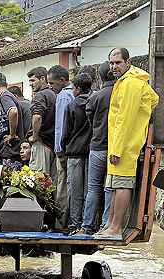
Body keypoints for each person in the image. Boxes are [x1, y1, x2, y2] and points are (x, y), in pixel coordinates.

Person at [98, 48, 159, 238]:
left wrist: (117, 148)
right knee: (115, 185)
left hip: (125, 145)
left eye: (118, 62)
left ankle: (116, 228)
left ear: (128, 61)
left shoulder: (131, 83)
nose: (114, 66)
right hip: (119, 142)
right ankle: (110, 225)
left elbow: (125, 119)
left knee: (122, 184)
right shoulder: (124, 81)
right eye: (112, 63)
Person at [81, 62, 115, 234]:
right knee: (109, 188)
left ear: (99, 77)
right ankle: (105, 225)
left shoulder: (95, 97)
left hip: (96, 146)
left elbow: (90, 119)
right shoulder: (120, 93)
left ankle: (87, 226)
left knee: (93, 188)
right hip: (115, 149)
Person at [61, 73, 93, 235]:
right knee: (90, 190)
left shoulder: (72, 106)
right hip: (91, 152)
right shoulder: (94, 102)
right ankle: (88, 224)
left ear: (78, 88)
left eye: (73, 87)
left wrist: (62, 148)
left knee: (75, 191)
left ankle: (74, 224)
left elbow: (66, 132)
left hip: (74, 153)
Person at [47, 65, 75, 229]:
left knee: (62, 186)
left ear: (63, 80)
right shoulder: (73, 94)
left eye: (52, 83)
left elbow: (60, 127)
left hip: (63, 149)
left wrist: (59, 150)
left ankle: (61, 223)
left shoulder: (63, 96)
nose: (50, 86)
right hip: (72, 148)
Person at [0, 72, 25, 162]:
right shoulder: (8, 96)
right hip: (9, 151)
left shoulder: (4, 96)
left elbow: (13, 111)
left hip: (12, 150)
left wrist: (12, 135)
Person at [27, 67, 56, 174]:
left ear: (43, 78)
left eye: (33, 80)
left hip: (42, 143)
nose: (30, 84)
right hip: (52, 144)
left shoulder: (40, 95)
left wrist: (34, 136)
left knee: (38, 181)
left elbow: (37, 116)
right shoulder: (53, 94)